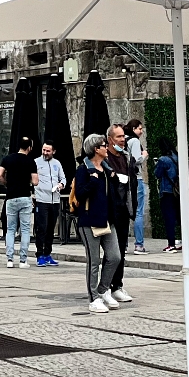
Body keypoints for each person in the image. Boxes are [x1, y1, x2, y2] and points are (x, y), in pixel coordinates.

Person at [71, 135, 121, 313]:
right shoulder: (84, 169)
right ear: (95, 149)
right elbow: (80, 195)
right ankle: (93, 298)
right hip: (89, 221)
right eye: (103, 145)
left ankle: (103, 289)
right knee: (94, 261)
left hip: (107, 220)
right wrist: (93, 180)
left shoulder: (107, 168)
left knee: (115, 256)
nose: (107, 147)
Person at [102, 126, 138, 301]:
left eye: (124, 136)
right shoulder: (104, 159)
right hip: (110, 210)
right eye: (119, 137)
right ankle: (105, 286)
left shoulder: (126, 157)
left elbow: (132, 183)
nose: (123, 139)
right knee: (111, 252)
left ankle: (117, 285)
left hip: (123, 209)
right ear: (110, 139)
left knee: (121, 250)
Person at [0, 136, 36, 268]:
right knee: (25, 230)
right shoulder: (31, 161)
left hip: (11, 197)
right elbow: (35, 181)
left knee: (10, 229)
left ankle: (9, 260)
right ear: (29, 147)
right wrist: (27, 179)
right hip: (25, 197)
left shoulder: (8, 159)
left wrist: (7, 182)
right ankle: (23, 260)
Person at [32, 140, 66, 268]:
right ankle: (39, 254)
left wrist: (61, 184)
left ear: (53, 152)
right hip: (41, 199)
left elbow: (63, 178)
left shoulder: (57, 163)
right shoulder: (36, 162)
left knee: (51, 228)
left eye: (48, 151)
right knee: (42, 227)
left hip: (55, 199)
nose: (45, 153)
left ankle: (47, 253)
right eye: (44, 150)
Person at [126, 119, 149, 253]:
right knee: (138, 211)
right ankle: (139, 244)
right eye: (140, 129)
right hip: (136, 178)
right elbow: (135, 159)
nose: (141, 131)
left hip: (125, 178)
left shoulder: (124, 141)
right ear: (134, 128)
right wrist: (144, 155)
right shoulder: (134, 141)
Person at [154, 144, 181, 252]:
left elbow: (157, 174)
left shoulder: (163, 160)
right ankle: (183, 241)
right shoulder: (178, 157)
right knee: (179, 217)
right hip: (178, 191)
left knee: (168, 218)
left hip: (167, 191)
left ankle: (171, 244)